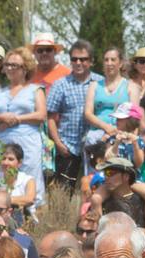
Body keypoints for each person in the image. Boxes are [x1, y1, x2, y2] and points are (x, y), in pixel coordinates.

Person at [0, 49, 48, 209]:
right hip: (3, 141)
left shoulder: (35, 90)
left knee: (30, 178)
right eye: (7, 65)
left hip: (28, 141)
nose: (9, 68)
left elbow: (41, 115)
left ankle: (33, 220)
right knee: (3, 179)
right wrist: (1, 118)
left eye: (15, 65)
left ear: (25, 68)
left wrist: (17, 118)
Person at [45, 41, 96, 183]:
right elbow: (49, 117)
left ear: (91, 61)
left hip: (94, 147)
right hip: (68, 147)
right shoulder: (60, 84)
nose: (78, 62)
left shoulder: (99, 82)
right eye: (74, 59)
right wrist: (58, 143)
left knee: (92, 190)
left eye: (83, 59)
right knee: (64, 192)